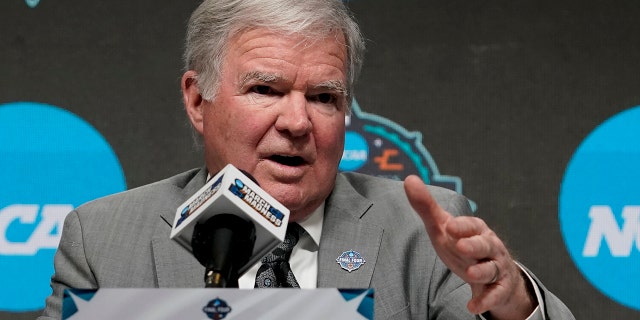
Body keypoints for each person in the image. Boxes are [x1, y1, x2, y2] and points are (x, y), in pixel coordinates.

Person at [39, 0, 575, 319]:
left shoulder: (420, 232)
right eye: (266, 90)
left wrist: (512, 303)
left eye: (323, 97)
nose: (298, 123)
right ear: (198, 100)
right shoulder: (104, 241)